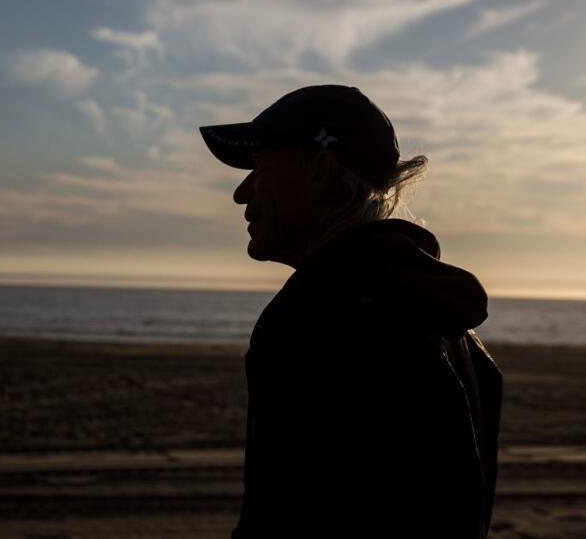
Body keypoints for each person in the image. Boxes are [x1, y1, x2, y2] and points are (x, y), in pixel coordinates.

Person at [199, 84, 503, 539]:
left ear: (320, 171)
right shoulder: (441, 315)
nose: (242, 193)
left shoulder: (317, 316)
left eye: (259, 166)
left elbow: (285, 516)